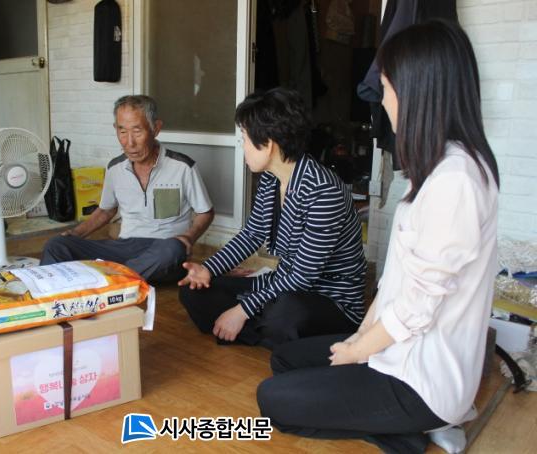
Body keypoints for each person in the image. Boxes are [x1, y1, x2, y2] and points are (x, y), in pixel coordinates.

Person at [256, 20, 501, 454]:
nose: (381, 100)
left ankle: (411, 431)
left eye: (386, 87)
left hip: (421, 379)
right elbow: (394, 285)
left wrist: (359, 350)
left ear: (418, 91)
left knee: (272, 400)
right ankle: (394, 418)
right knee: (285, 360)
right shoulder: (435, 167)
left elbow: (417, 305)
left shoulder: (456, 179)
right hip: (394, 349)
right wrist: (360, 336)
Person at [178, 87, 366, 348]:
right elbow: (251, 235)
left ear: (268, 144)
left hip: (327, 299)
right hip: (282, 285)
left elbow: (303, 277)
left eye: (244, 138)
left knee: (285, 315)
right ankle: (263, 329)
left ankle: (251, 323)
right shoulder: (270, 179)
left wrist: (242, 310)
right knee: (194, 291)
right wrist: (208, 269)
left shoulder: (324, 191)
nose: (242, 147)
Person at [41, 95, 214, 284]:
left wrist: (188, 237)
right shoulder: (115, 168)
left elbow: (205, 212)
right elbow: (106, 210)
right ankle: (52, 290)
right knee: (57, 245)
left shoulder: (182, 167)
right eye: (122, 131)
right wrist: (76, 233)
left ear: (156, 128)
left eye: (137, 131)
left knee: (173, 249)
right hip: (123, 248)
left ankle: (109, 282)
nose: (129, 143)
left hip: (163, 250)